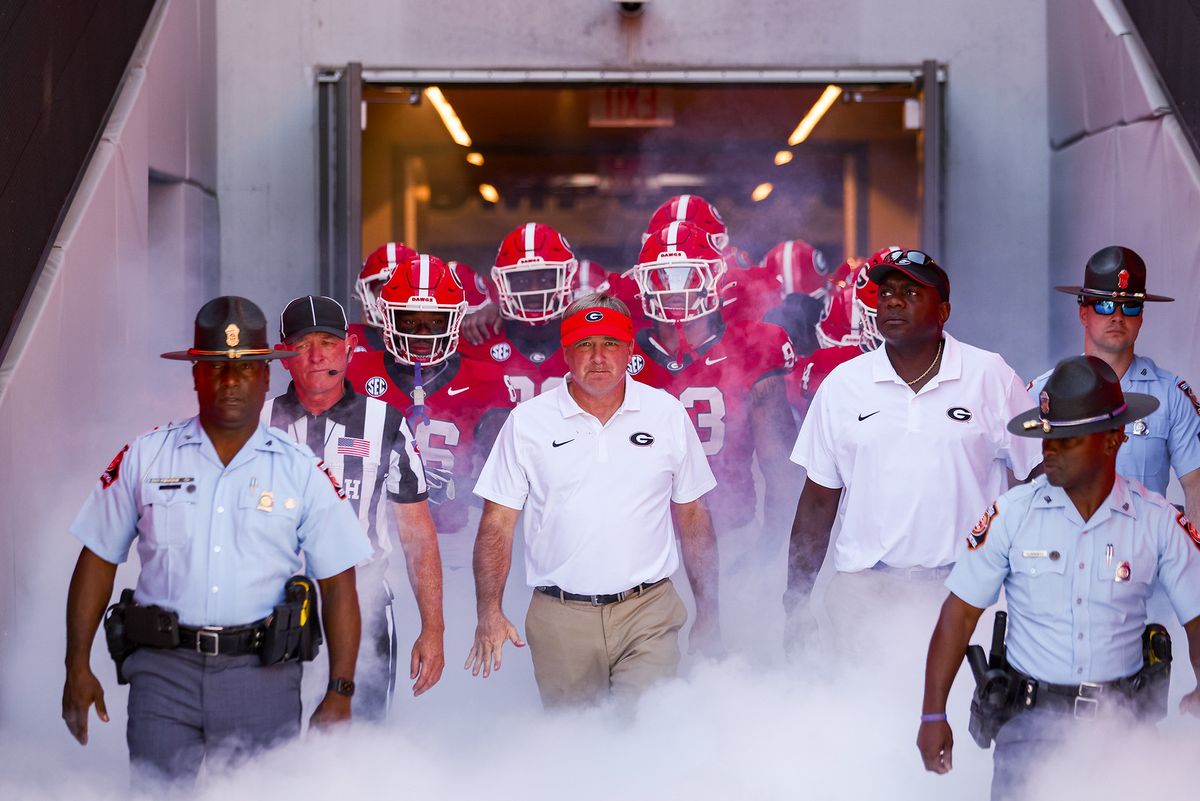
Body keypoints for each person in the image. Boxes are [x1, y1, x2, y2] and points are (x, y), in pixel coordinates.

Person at [62, 296, 372, 785]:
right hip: (163, 675)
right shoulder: (146, 456)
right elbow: (98, 557)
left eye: (246, 369)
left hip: (262, 678)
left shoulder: (302, 470)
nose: (231, 382)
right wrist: (75, 665)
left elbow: (338, 582)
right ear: (195, 375)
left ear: (268, 377)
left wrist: (340, 690)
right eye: (216, 368)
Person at [917, 355, 1200, 801]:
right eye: (1048, 435)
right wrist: (933, 716)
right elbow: (959, 614)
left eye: (1068, 439)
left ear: (1112, 440)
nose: (1049, 448)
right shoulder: (1012, 514)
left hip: (1122, 732)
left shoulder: (1159, 521)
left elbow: (1197, 615)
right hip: (1028, 728)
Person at [466, 292, 722, 707]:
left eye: (610, 344)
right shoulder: (527, 423)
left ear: (629, 350)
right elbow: (497, 522)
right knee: (577, 751)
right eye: (585, 344)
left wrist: (709, 610)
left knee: (645, 736)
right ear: (565, 352)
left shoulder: (666, 414)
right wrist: (488, 612)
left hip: (648, 612)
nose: (598, 356)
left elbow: (693, 516)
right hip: (560, 618)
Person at [784, 249, 1042, 656]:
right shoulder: (843, 385)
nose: (893, 301)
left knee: (959, 712)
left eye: (910, 292)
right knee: (863, 714)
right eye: (885, 292)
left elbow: (1039, 479)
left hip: (966, 588)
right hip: (864, 593)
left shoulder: (990, 376)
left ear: (943, 311)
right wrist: (795, 602)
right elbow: (817, 503)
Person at [262, 295, 445, 718]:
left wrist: (432, 629)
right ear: (283, 355)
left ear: (348, 347)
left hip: (365, 603)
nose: (315, 354)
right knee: (268, 748)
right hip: (269, 605)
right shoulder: (256, 422)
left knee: (361, 746)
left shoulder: (387, 422)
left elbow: (417, 533)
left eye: (326, 341)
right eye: (302, 343)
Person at [629, 220, 799, 546]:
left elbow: (781, 470)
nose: (674, 290)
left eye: (687, 275)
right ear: (643, 281)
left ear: (714, 278)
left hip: (731, 535)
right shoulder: (620, 352)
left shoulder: (752, 346)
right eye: (662, 276)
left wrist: (770, 548)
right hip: (642, 544)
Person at [346, 253, 515, 537]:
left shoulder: (487, 380)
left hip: (453, 535)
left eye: (436, 322)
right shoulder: (355, 372)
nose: (422, 335)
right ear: (386, 316)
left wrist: (459, 486)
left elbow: (506, 478)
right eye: (409, 322)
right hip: (372, 533)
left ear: (457, 319)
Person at [1029, 245, 1200, 522]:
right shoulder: (1043, 392)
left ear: (1142, 317)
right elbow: (1016, 484)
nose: (1117, 316)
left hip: (1144, 554)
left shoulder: (1171, 395)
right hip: (1064, 556)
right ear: (1083, 313)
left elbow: (1196, 486)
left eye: (1131, 306)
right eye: (1105, 304)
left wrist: (1191, 559)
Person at [456, 222, 578, 402]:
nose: (534, 290)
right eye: (522, 281)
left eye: (545, 279)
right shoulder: (480, 335)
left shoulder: (587, 334)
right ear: (503, 282)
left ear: (566, 277)